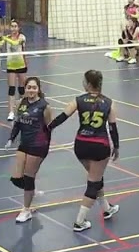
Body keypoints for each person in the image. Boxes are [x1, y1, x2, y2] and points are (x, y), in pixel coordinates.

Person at [47, 69, 121, 231]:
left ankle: (107, 209)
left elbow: (62, 117)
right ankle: (79, 221)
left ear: (87, 84)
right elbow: (113, 127)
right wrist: (116, 146)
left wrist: (48, 128)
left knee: (96, 177)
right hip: (100, 146)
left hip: (81, 145)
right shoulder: (109, 103)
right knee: (94, 182)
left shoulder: (78, 100)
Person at [5, 77, 52, 223]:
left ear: (38, 89)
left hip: (38, 145)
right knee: (17, 178)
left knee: (29, 177)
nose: (31, 90)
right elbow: (17, 124)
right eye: (29, 87)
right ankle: (32, 192)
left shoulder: (45, 106)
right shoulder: (21, 103)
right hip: (24, 144)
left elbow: (49, 128)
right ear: (25, 88)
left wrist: (45, 147)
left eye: (34, 87)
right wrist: (11, 139)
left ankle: (26, 210)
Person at [1, 19, 28, 120]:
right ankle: (11, 112)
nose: (14, 28)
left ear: (19, 28)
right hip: (11, 66)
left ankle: (23, 109)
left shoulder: (22, 37)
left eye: (15, 26)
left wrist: (25, 62)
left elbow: (17, 44)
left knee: (22, 89)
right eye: (12, 26)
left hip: (21, 65)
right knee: (11, 89)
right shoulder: (7, 38)